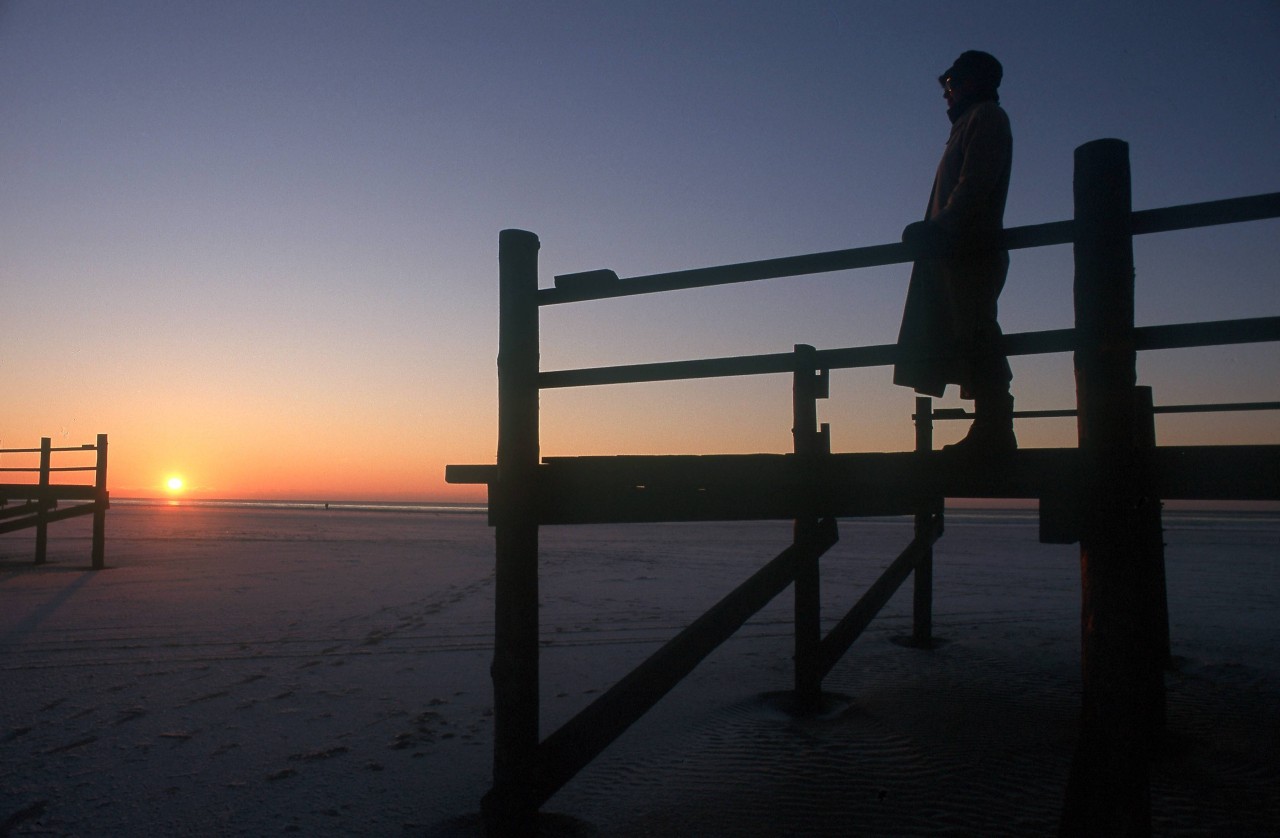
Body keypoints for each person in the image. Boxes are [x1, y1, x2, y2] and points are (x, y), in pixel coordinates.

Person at [893, 50, 1016, 456]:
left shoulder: (986, 119)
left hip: (971, 250)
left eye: (950, 83)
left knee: (977, 331)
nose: (945, 93)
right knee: (968, 333)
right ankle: (989, 428)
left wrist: (937, 227)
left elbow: (974, 185)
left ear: (972, 82)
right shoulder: (971, 123)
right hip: (956, 251)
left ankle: (994, 430)